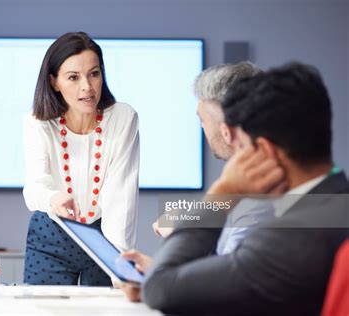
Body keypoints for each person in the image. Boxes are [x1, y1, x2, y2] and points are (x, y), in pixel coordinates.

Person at [125, 62, 349, 315]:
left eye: (242, 147)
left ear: (264, 151)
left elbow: (161, 288)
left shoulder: (285, 237)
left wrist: (223, 191)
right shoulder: (338, 201)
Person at [22, 32, 139, 286]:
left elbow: (121, 197)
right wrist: (54, 197)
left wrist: (119, 265)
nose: (87, 87)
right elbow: (34, 186)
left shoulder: (122, 118)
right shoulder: (38, 122)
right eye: (73, 77)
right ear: (54, 82)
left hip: (103, 238)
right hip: (51, 236)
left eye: (94, 74)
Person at [154, 62, 275, 255]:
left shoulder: (256, 203)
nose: (202, 128)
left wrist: (182, 237)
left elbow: (225, 282)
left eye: (202, 120)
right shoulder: (257, 186)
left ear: (226, 132)